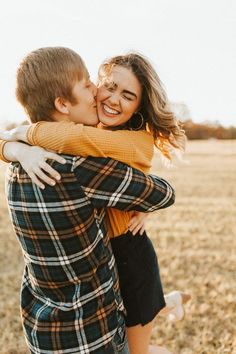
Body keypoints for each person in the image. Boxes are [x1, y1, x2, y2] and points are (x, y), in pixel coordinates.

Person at [0, 51, 189, 354]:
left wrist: (25, 135)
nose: (111, 99)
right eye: (104, 86)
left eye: (128, 95)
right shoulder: (76, 136)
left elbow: (79, 142)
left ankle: (160, 304)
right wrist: (17, 149)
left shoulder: (128, 141)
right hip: (101, 257)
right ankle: (164, 303)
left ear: (139, 107)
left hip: (128, 248)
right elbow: (71, 139)